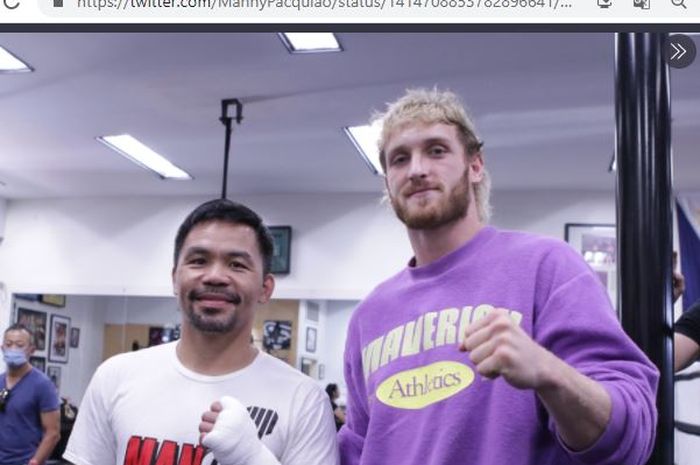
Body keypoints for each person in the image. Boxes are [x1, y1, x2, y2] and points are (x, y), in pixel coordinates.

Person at [338, 89, 659, 465]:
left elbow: (631, 436)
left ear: (475, 166)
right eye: (399, 159)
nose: (417, 169)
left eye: (437, 151)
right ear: (387, 184)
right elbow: (358, 449)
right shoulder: (370, 315)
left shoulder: (547, 266)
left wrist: (549, 373)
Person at [65, 199, 338, 465]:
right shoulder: (115, 377)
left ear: (265, 288)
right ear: (175, 278)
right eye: (198, 261)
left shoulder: (304, 400)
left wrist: (253, 458)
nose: (215, 276)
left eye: (237, 265)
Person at [1, 324, 60, 465]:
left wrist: (35, 461)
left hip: (23, 460)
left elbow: (53, 433)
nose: (13, 349)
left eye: (19, 345)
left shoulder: (42, 385)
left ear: (31, 350)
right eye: (9, 344)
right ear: (2, 348)